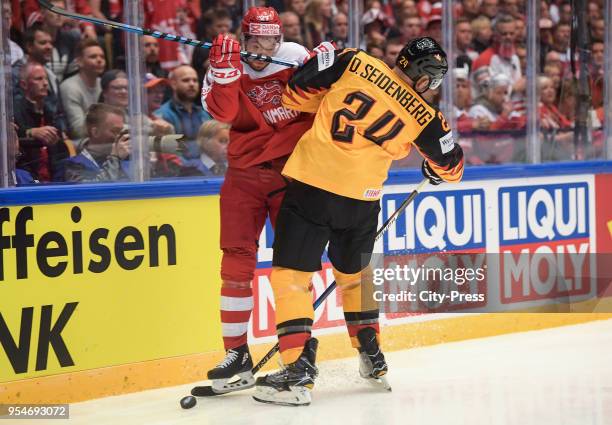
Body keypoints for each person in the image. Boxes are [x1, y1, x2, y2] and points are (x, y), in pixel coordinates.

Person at [252, 37, 464, 406]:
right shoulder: (427, 116)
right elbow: (453, 168)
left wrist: (322, 66)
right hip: (362, 202)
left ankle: (297, 368)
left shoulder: (353, 60)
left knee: (292, 277)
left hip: (313, 187)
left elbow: (294, 95)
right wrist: (433, 165)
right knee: (355, 275)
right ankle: (372, 354)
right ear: (425, 78)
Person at [199, 6, 317, 394]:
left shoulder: (297, 56)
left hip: (291, 173)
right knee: (234, 263)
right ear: (244, 38)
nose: (263, 47)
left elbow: (324, 98)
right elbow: (224, 113)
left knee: (293, 267)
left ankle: (297, 357)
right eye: (255, 41)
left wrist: (329, 63)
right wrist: (224, 75)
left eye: (271, 40)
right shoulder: (224, 62)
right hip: (244, 176)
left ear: (280, 38)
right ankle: (236, 354)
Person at [64, 103, 130, 182]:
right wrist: (114, 158)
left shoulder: (126, 158)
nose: (119, 136)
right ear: (95, 132)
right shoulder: (74, 165)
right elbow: (95, 191)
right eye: (115, 131)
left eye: (121, 131)